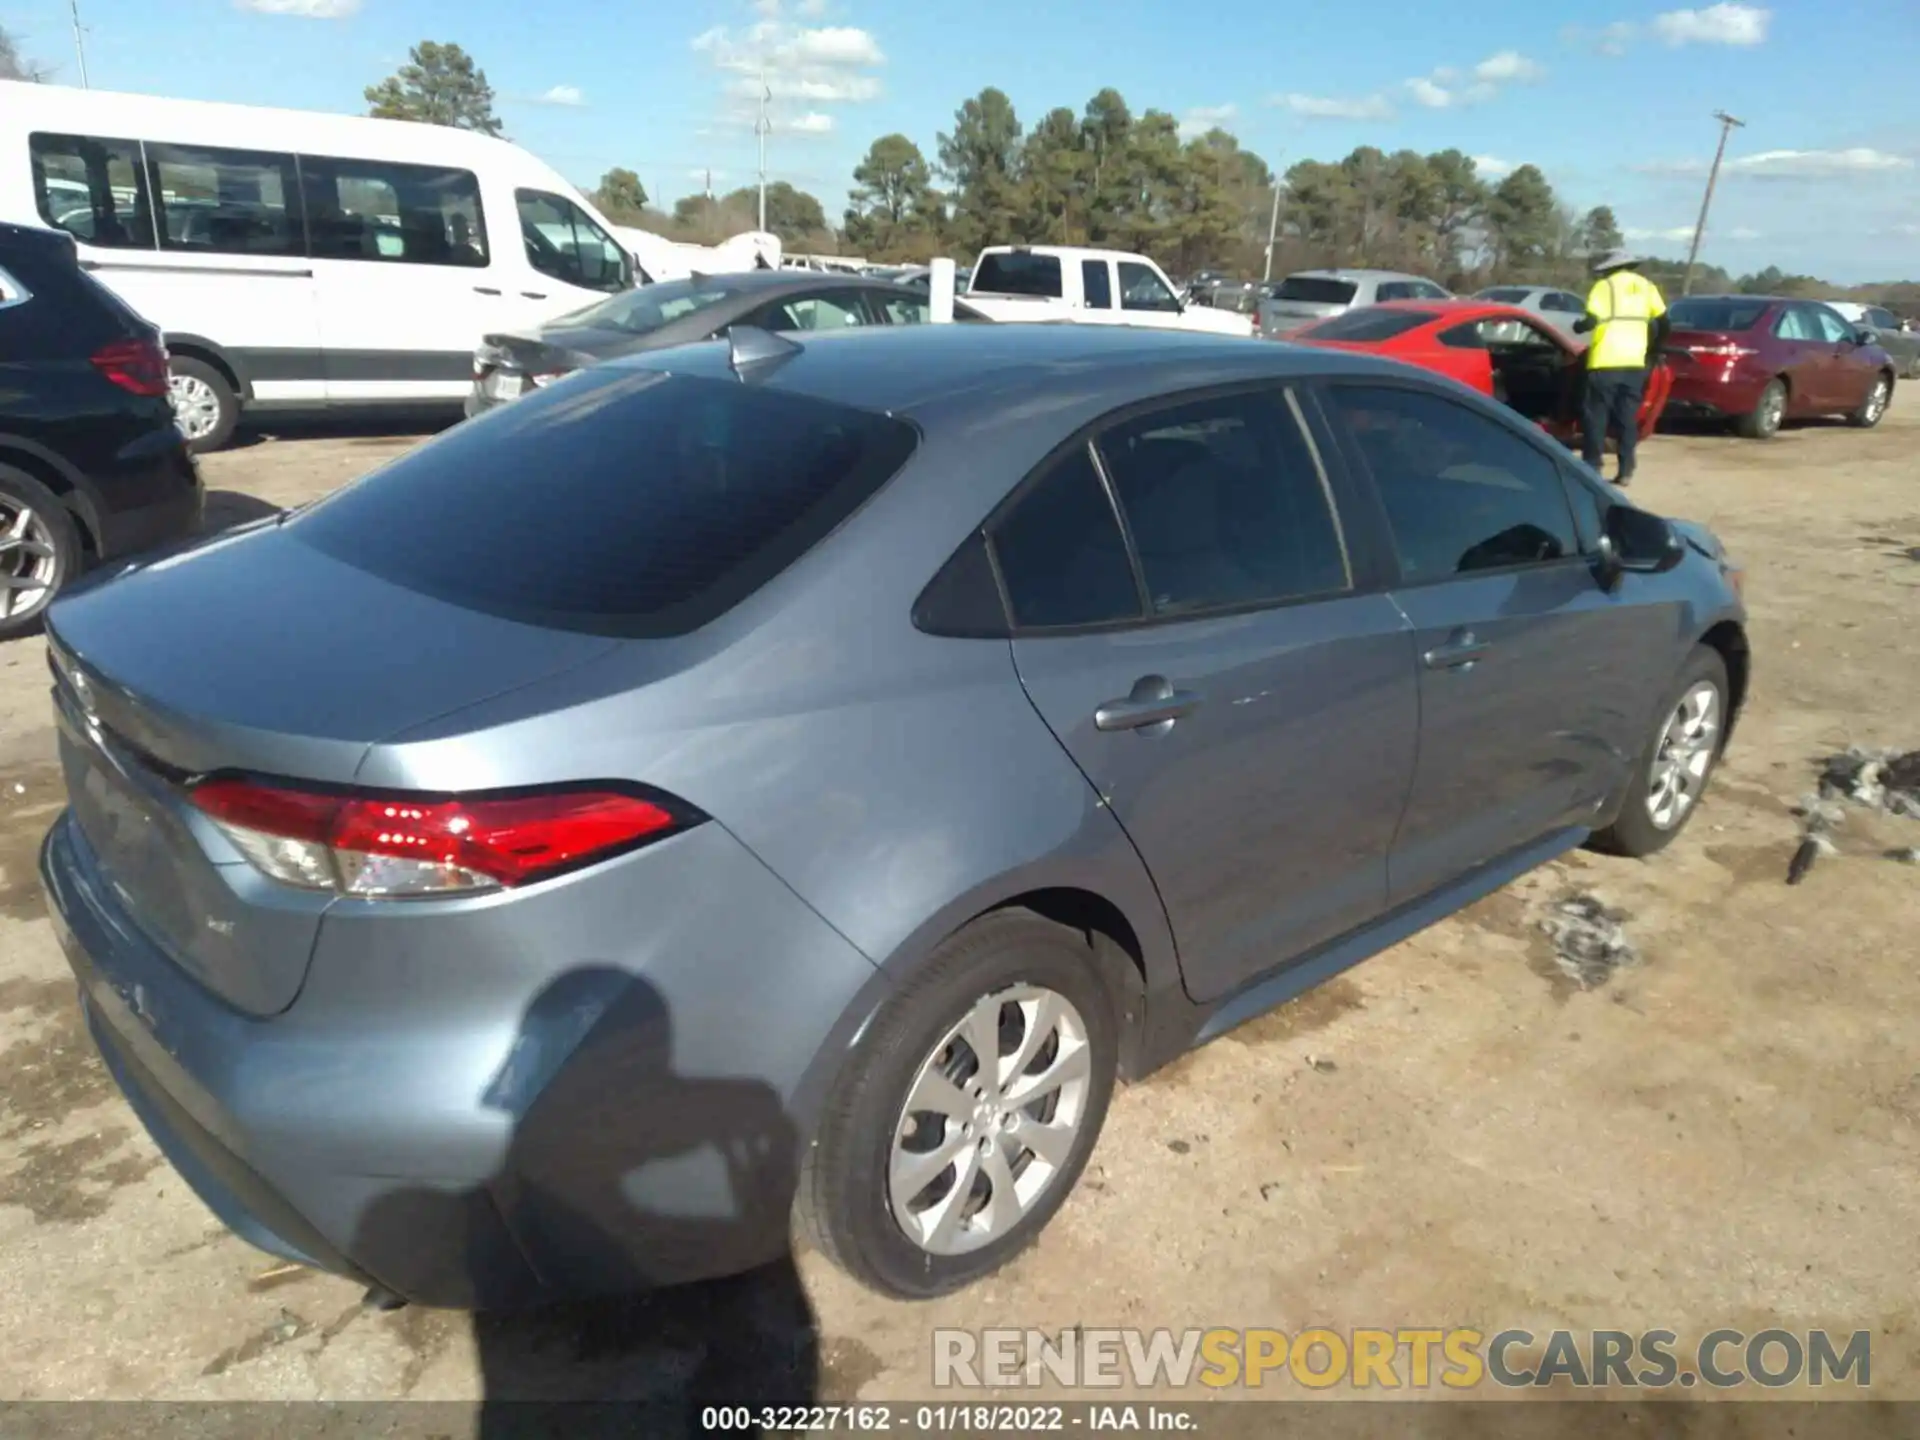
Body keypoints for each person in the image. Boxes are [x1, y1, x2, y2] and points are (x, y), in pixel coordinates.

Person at [1577, 250, 1669, 486]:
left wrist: (1578, 327)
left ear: (1609, 268)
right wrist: (1654, 350)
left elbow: (1590, 321)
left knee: (1596, 416)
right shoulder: (1647, 287)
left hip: (1605, 360)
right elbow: (1664, 322)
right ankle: (1626, 469)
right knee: (1627, 418)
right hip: (1635, 362)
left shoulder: (1603, 287)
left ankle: (1592, 467)